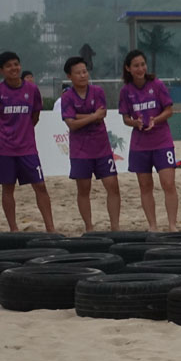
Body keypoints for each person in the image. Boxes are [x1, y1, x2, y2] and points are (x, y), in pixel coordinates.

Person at [0, 51, 55, 232]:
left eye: (16, 64)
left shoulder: (32, 90)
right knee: (8, 189)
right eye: (8, 66)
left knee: (40, 186)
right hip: (4, 150)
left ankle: (50, 228)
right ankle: (13, 229)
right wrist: (5, 135)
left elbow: (35, 117)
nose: (13, 68)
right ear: (1, 70)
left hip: (27, 149)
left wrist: (23, 133)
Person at [119, 50, 178, 232]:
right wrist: (135, 123)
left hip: (162, 141)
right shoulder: (126, 91)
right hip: (140, 144)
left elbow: (169, 110)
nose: (140, 69)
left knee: (168, 183)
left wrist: (155, 120)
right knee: (145, 186)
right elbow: (125, 118)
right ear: (128, 68)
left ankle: (172, 225)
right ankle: (152, 225)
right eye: (136, 66)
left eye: (142, 64)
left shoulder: (157, 85)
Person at [61, 56, 121, 232]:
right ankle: (89, 227)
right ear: (69, 76)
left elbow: (101, 115)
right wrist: (92, 116)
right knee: (83, 189)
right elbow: (71, 124)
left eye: (85, 71)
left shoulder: (97, 91)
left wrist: (79, 116)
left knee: (113, 186)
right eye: (78, 73)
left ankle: (115, 227)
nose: (83, 75)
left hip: (102, 148)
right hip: (80, 151)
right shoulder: (67, 97)